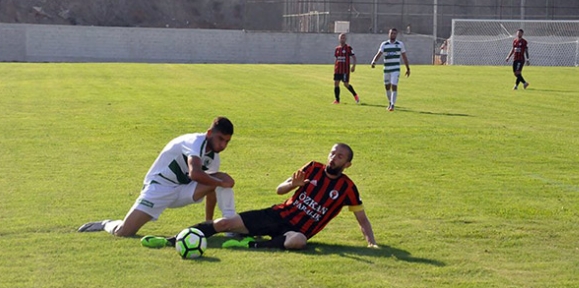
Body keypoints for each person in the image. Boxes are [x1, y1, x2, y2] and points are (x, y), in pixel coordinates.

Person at [141, 143, 379, 250]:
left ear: (347, 164)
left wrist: (371, 242)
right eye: (332, 153)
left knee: (299, 241)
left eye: (339, 156)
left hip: (297, 231)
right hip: (277, 214)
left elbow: (362, 219)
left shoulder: (348, 188)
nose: (333, 158)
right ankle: (174, 239)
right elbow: (279, 190)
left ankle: (254, 244)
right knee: (224, 223)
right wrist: (293, 184)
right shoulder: (313, 168)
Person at [77, 116, 237, 237]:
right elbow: (195, 173)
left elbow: (212, 188)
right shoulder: (194, 142)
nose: (223, 145)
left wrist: (208, 224)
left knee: (223, 179)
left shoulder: (214, 158)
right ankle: (107, 223)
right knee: (124, 232)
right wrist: (220, 183)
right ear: (209, 133)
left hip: (183, 191)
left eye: (227, 142)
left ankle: (230, 225)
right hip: (159, 187)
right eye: (220, 139)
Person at [371, 28, 410, 111]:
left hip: (395, 69)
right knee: (387, 86)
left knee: (394, 85)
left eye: (394, 33)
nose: (393, 35)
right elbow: (379, 54)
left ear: (396, 35)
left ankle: (392, 104)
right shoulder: (384, 44)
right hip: (387, 69)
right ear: (389, 34)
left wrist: (408, 68)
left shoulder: (400, 44)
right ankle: (389, 102)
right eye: (391, 33)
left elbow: (404, 56)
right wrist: (374, 61)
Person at [333, 33, 359, 104]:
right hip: (338, 69)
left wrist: (353, 66)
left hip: (345, 70)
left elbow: (354, 57)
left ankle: (355, 95)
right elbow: (337, 59)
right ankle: (337, 100)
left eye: (343, 38)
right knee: (336, 83)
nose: (342, 39)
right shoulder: (337, 49)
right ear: (339, 39)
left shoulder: (348, 48)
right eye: (341, 38)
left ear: (345, 39)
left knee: (346, 84)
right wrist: (335, 67)